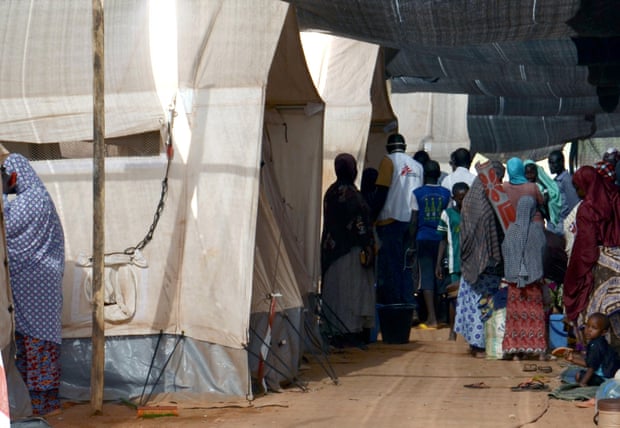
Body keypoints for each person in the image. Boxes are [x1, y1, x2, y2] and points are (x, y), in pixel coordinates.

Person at [1, 153, 65, 416]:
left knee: (34, 345)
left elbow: (7, 226)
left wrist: (2, 196)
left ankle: (36, 404)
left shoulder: (29, 201)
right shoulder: (41, 195)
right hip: (44, 285)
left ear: (14, 175)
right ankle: (43, 402)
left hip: (32, 285)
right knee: (40, 343)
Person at [320, 154, 375, 346]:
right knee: (350, 292)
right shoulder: (351, 194)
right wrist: (368, 245)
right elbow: (360, 222)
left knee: (335, 291)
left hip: (332, 250)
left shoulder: (331, 191)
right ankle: (350, 331)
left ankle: (334, 329)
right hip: (350, 251)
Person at [454, 160, 504, 358]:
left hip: (470, 260)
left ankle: (476, 343)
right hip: (487, 262)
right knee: (483, 303)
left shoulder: (470, 198)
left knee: (472, 300)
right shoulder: (488, 203)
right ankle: (480, 344)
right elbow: (492, 230)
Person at [563, 166, 620, 324]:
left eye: (578, 188)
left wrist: (573, 276)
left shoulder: (587, 209)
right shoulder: (615, 195)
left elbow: (586, 248)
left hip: (604, 266)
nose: (577, 193)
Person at [373, 134, 423, 306]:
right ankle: (408, 302)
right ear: (405, 146)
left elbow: (381, 191)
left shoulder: (388, 161)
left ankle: (393, 304)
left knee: (390, 266)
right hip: (412, 221)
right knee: (407, 265)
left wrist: (372, 216)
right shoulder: (418, 166)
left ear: (388, 147)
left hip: (390, 221)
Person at [501, 196, 547, 360]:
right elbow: (542, 252)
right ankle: (539, 350)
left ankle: (515, 352)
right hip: (533, 282)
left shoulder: (512, 230)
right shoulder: (537, 230)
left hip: (515, 284)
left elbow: (506, 251)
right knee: (535, 315)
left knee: (515, 318)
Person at [412, 160, 450, 328]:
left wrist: (411, 241)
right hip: (441, 238)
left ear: (425, 175)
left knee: (426, 276)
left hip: (423, 238)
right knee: (440, 275)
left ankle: (431, 317)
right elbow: (448, 217)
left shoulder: (417, 193)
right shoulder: (447, 193)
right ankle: (443, 316)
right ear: (438, 174)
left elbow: (414, 218)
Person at [436, 182, 469, 340]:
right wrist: (438, 263)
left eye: (466, 198)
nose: (463, 201)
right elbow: (442, 240)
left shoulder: (473, 213)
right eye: (461, 198)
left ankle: (469, 331)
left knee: (471, 297)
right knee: (454, 297)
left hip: (471, 263)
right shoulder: (447, 214)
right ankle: (452, 330)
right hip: (454, 262)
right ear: (454, 198)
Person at [564, 313, 620, 386]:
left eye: (594, 328)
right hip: (610, 373)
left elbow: (591, 367)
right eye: (587, 326)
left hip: (605, 378)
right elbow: (589, 361)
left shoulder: (596, 345)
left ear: (603, 332)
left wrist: (583, 382)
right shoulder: (598, 341)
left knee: (578, 375)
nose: (589, 330)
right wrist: (572, 359)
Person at [502, 157, 545, 224]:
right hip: (534, 224)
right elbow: (541, 202)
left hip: (514, 225)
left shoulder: (505, 187)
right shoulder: (533, 186)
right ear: (522, 169)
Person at [548, 150, 580, 236]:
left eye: (553, 163)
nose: (551, 166)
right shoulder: (556, 180)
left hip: (563, 225)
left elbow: (574, 205)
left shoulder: (566, 180)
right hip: (556, 224)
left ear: (562, 162)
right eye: (550, 163)